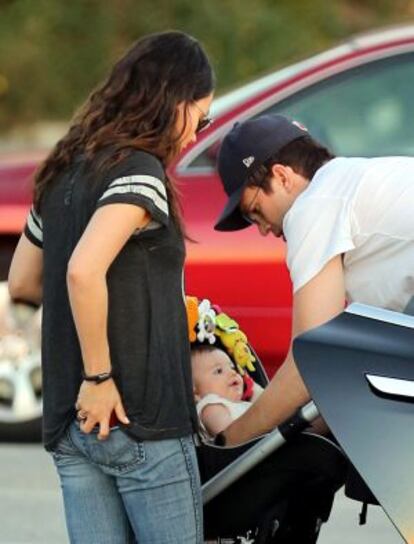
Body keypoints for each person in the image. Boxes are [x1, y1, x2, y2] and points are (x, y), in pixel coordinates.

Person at [8, 31, 214, 543]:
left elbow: (21, 282)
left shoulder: (61, 173)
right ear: (173, 102)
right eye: (201, 116)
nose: (197, 134)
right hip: (137, 412)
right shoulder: (140, 173)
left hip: (70, 424)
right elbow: (83, 269)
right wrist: (99, 376)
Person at [214, 113, 414, 446]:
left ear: (281, 176)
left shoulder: (313, 205)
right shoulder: (356, 181)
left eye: (256, 211)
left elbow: (311, 360)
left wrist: (233, 438)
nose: (263, 229)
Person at [191, 344, 263, 440]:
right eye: (219, 371)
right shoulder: (210, 406)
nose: (233, 372)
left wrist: (252, 388)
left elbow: (267, 401)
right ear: (195, 392)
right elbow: (230, 436)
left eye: (232, 367)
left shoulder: (241, 403)